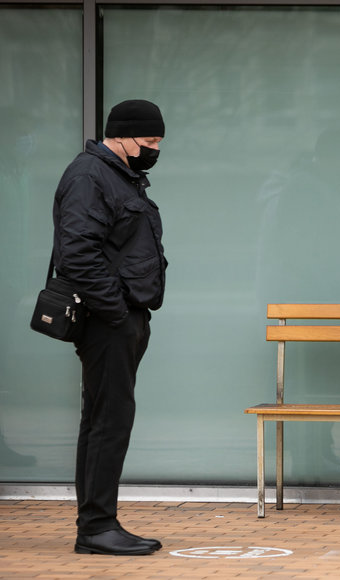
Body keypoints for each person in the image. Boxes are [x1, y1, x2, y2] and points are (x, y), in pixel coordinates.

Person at [51, 99, 168, 555]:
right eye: (149, 141)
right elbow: (76, 253)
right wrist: (117, 313)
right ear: (119, 135)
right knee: (109, 421)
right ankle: (97, 528)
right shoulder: (89, 176)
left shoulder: (118, 175)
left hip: (122, 317)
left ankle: (97, 522)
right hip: (108, 321)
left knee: (104, 419)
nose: (155, 149)